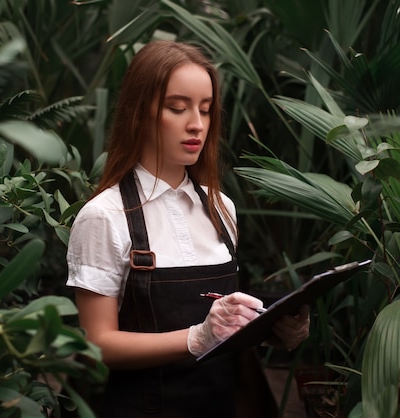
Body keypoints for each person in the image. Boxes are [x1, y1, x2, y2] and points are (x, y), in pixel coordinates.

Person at [66, 39, 310, 417]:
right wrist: (197, 337)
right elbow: (97, 344)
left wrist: (273, 332)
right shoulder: (104, 216)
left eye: (206, 109)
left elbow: (225, 329)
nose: (196, 124)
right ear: (139, 112)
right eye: (177, 108)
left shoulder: (221, 207)